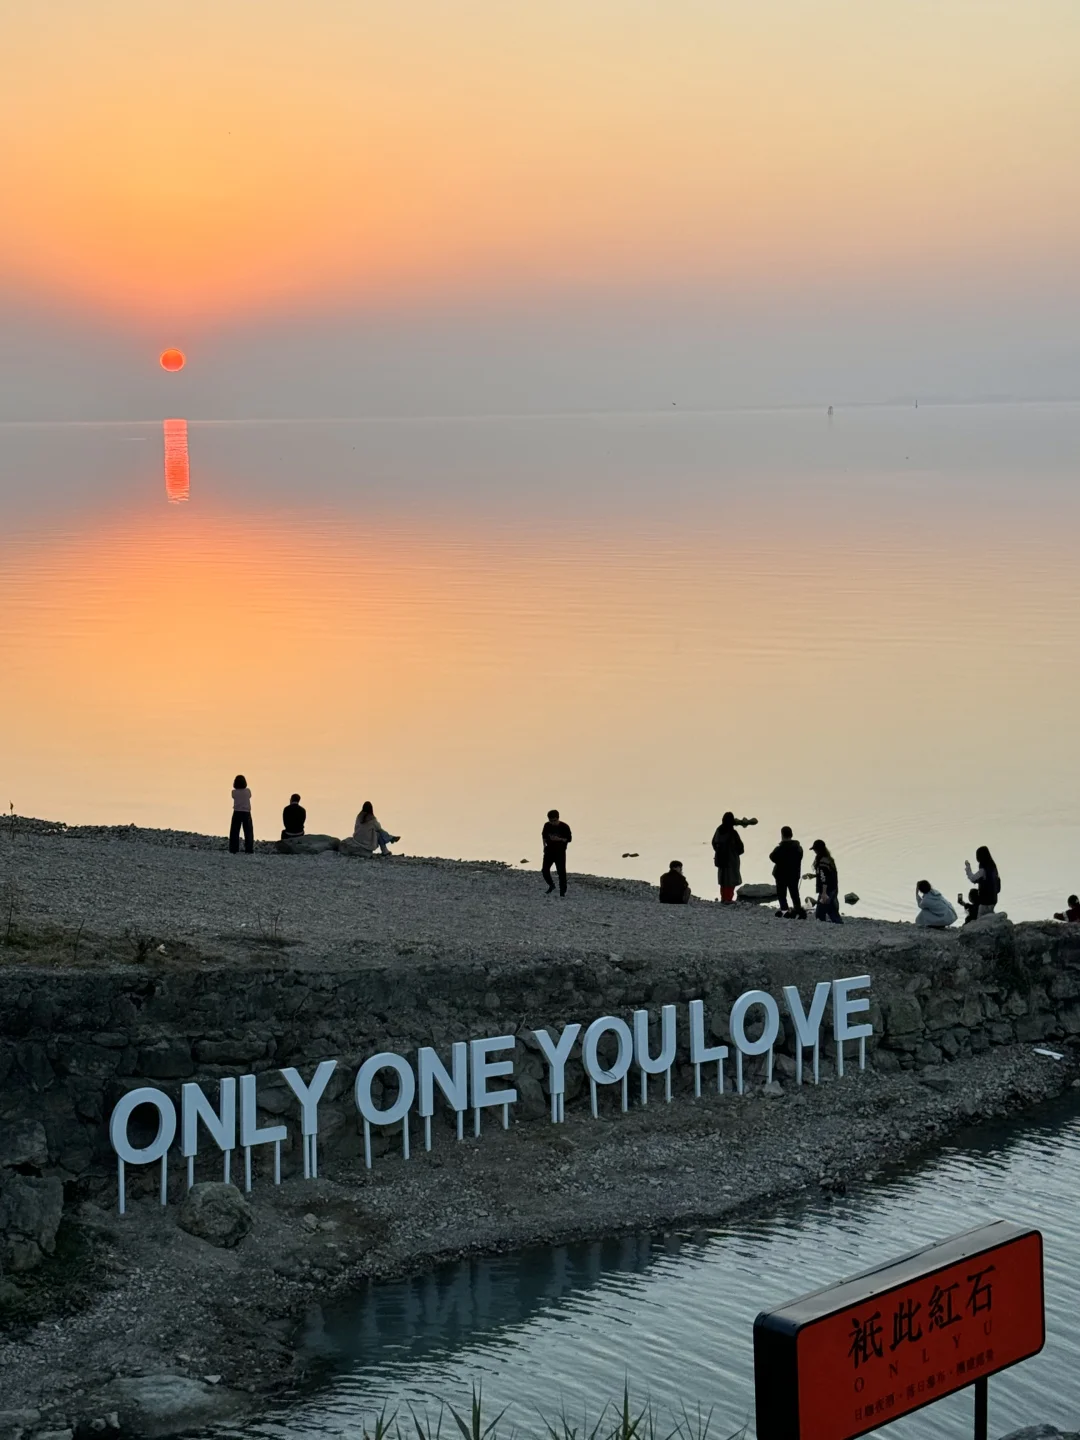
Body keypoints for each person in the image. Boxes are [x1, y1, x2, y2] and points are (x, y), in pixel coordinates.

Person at [711, 812, 745, 903]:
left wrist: (718, 851)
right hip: (731, 859)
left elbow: (713, 843)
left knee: (723, 880)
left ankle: (723, 898)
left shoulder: (718, 830)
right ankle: (728, 899)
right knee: (731, 879)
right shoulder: (733, 833)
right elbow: (741, 848)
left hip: (721, 859)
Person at [770, 826, 805, 917]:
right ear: (791, 835)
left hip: (781, 874)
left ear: (782, 835)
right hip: (794, 874)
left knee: (781, 894)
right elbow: (800, 857)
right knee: (794, 893)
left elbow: (772, 857)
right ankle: (798, 910)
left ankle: (785, 910)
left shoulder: (779, 849)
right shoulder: (798, 848)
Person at [808, 839, 842, 923]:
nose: (814, 851)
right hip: (833, 888)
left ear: (818, 850)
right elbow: (827, 875)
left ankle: (833, 923)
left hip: (827, 890)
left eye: (815, 849)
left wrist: (823, 893)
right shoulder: (828, 859)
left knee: (820, 913)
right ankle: (838, 923)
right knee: (832, 909)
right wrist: (814, 876)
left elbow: (824, 879)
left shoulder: (822, 862)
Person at [541, 809, 572, 896]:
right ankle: (551, 885)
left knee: (561, 872)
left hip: (560, 852)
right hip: (549, 851)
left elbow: (569, 839)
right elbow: (544, 836)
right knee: (544, 870)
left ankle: (562, 892)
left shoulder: (564, 827)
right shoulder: (547, 825)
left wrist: (559, 839)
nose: (553, 822)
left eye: (554, 820)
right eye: (551, 821)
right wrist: (544, 846)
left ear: (558, 818)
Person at [965, 846, 1001, 917]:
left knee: (981, 919)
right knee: (990, 916)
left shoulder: (983, 869)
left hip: (985, 901)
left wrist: (968, 867)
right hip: (993, 899)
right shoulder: (992, 867)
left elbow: (972, 878)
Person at [229, 774, 254, 855]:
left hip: (237, 811)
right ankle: (249, 849)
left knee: (234, 831)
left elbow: (233, 797)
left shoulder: (234, 792)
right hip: (246, 812)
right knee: (248, 831)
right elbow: (250, 796)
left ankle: (234, 848)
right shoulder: (247, 791)